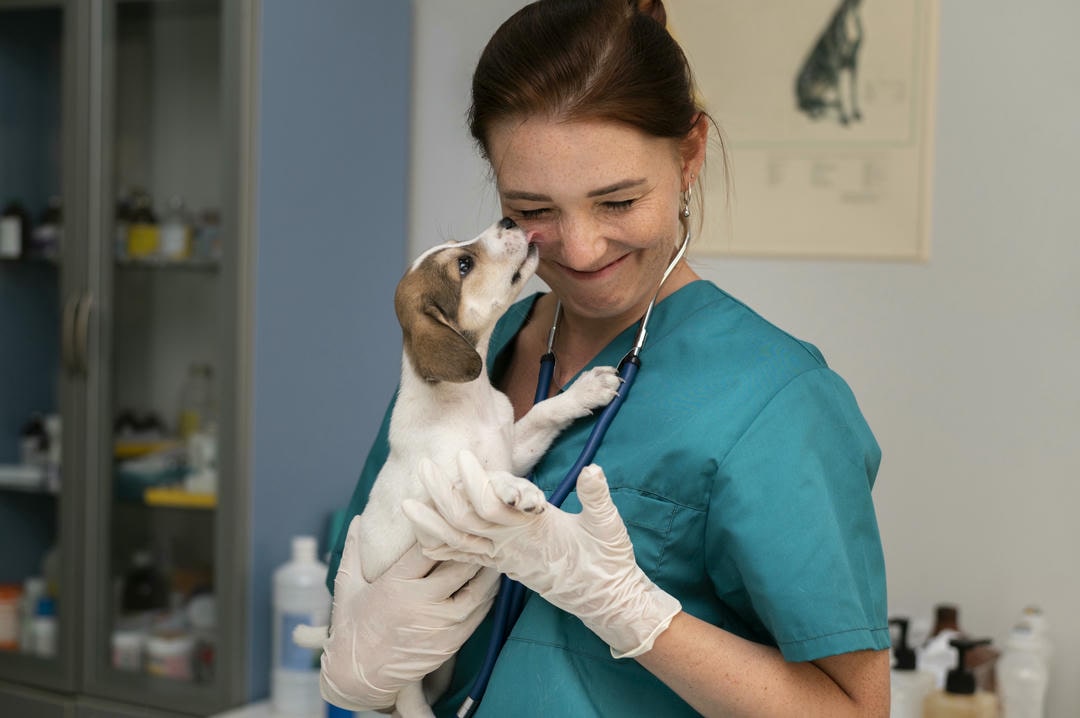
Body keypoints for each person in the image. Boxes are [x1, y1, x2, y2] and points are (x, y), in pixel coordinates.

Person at [322, 0, 891, 715]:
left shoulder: (778, 401)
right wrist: (358, 676)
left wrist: (635, 614)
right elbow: (362, 581)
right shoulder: (468, 362)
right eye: (533, 209)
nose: (582, 249)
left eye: (618, 201)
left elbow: (854, 711)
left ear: (688, 156)